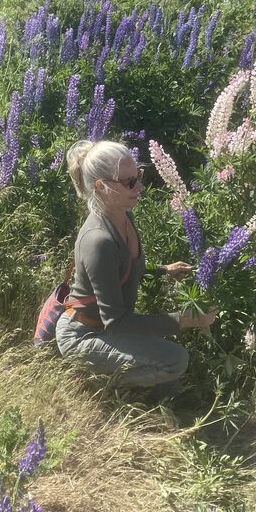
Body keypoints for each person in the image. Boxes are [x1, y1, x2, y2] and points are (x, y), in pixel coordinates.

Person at [54, 139, 217, 392]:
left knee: (170, 386)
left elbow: (124, 269)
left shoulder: (123, 215)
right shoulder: (99, 240)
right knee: (175, 360)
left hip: (105, 329)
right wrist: (184, 320)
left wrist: (164, 270)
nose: (140, 186)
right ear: (101, 186)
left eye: (138, 175)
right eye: (129, 182)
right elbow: (116, 322)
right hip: (84, 335)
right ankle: (94, 386)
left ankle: (127, 385)